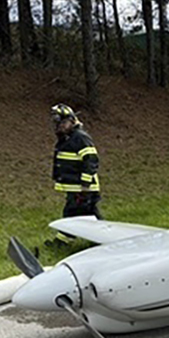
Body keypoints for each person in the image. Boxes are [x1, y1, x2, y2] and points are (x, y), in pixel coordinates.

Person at [50, 103, 102, 244]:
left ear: (72, 121)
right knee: (81, 213)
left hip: (83, 187)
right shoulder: (66, 139)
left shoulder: (80, 138)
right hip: (76, 187)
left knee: (76, 213)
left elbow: (91, 160)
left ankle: (101, 240)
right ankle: (98, 240)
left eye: (63, 123)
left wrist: (85, 183)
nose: (60, 126)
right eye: (57, 123)